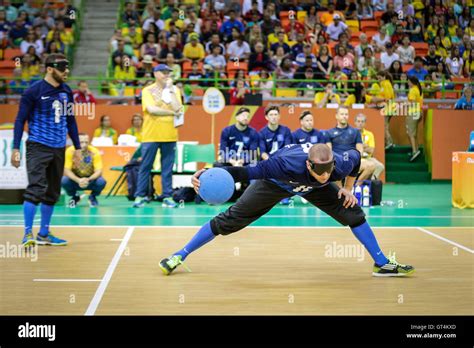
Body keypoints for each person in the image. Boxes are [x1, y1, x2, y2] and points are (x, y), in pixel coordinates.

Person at [159, 143, 414, 278]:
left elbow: (356, 159)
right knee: (229, 221)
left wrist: (348, 188)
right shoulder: (281, 165)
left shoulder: (338, 163)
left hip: (311, 188)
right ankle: (180, 254)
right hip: (275, 185)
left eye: (329, 173)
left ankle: (381, 264)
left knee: (353, 212)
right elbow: (244, 172)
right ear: (308, 164)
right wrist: (207, 173)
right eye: (319, 172)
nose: (325, 177)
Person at [11, 53, 81, 247]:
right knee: (35, 189)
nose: (66, 71)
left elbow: (71, 120)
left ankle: (44, 233)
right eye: (62, 68)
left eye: (67, 67)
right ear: (50, 69)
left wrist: (77, 147)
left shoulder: (67, 91)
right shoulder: (33, 91)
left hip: (59, 147)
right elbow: (20, 120)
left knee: (52, 192)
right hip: (38, 146)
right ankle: (27, 234)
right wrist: (15, 147)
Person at [133, 64, 183, 208]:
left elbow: (178, 108)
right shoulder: (147, 90)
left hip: (170, 135)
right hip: (151, 135)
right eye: (163, 72)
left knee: (167, 168)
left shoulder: (175, 90)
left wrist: (170, 90)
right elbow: (151, 109)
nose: (167, 75)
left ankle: (167, 196)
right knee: (145, 166)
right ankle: (140, 196)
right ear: (155, 73)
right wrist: (172, 113)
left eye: (168, 72)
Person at [61, 133, 106, 207]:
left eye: (86, 142)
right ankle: (75, 196)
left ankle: (92, 196)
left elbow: (99, 171)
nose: (84, 145)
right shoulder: (70, 151)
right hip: (75, 180)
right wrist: (78, 180)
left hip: (90, 180)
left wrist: (88, 179)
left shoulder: (94, 151)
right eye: (81, 142)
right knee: (64, 180)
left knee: (101, 182)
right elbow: (66, 170)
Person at [354, 114, 385, 180]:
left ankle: (372, 182)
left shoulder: (369, 134)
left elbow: (371, 150)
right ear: (355, 122)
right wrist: (364, 146)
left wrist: (359, 146)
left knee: (380, 166)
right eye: (358, 121)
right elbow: (352, 148)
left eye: (362, 122)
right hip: (357, 158)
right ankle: (359, 182)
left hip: (368, 157)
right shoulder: (351, 133)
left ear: (365, 123)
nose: (360, 123)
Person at [406, 76, 423, 162]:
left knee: (410, 133)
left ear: (412, 82)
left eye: (408, 81)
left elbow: (412, 103)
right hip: (419, 112)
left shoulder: (412, 90)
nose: (407, 83)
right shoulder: (418, 89)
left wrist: (405, 104)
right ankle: (416, 148)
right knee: (414, 132)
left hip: (413, 113)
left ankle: (414, 151)